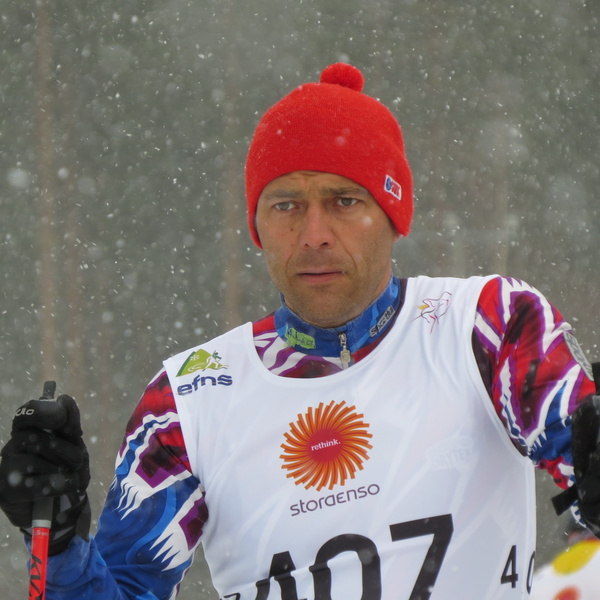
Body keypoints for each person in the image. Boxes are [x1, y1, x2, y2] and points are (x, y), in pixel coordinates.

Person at [1, 62, 599, 599]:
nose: (314, 234)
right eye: (286, 205)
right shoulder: (187, 397)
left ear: (392, 216)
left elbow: (583, 470)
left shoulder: (487, 324)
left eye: (343, 201)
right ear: (258, 226)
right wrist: (59, 542)